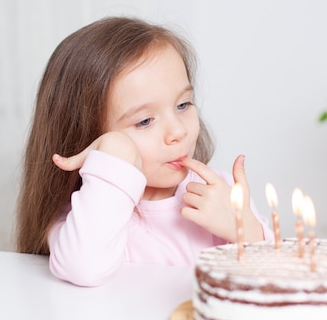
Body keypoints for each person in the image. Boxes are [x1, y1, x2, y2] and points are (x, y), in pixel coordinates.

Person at [16, 17, 273, 286]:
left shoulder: (221, 192)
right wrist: (116, 150)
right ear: (89, 136)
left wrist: (246, 230)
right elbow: (85, 269)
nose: (178, 132)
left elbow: (278, 278)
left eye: (183, 105)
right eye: (144, 121)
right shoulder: (85, 214)